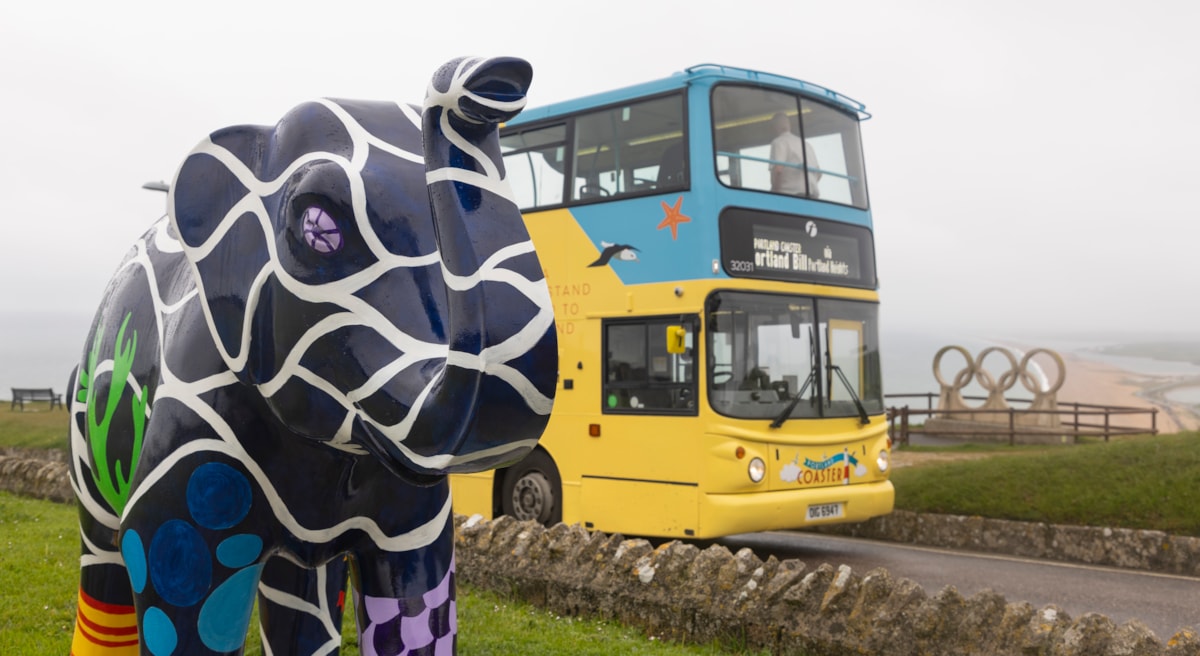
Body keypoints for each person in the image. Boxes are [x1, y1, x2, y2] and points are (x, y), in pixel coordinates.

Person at [769, 112, 821, 197]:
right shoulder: (806, 145)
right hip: (812, 195)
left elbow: (778, 170)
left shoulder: (779, 142)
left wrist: (775, 193)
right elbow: (819, 174)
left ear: (774, 127)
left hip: (791, 195)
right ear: (789, 125)